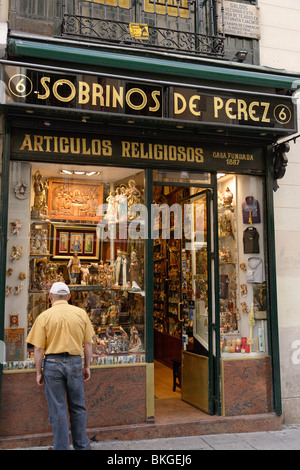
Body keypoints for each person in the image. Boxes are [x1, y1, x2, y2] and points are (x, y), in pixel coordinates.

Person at [26, 281, 95, 451]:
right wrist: (87, 366)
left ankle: (61, 447)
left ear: (50, 297)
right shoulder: (80, 314)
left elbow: (39, 348)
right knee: (78, 406)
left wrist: (38, 371)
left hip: (52, 365)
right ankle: (82, 446)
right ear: (69, 297)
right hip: (75, 363)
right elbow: (88, 344)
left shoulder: (44, 316)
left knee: (57, 409)